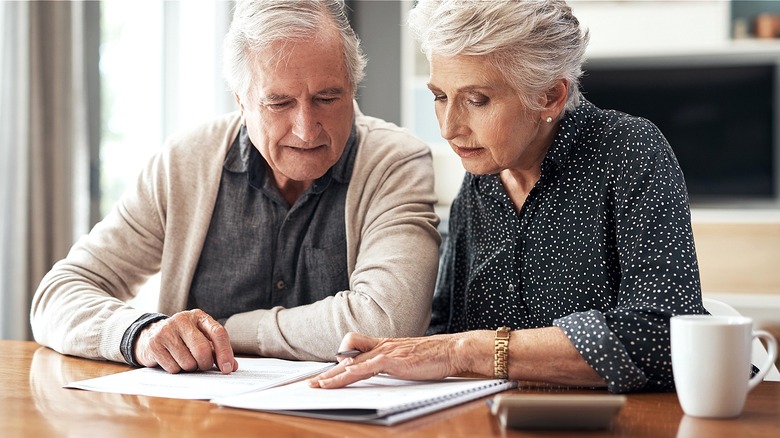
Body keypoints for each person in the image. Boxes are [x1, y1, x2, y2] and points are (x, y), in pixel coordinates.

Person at [310, 0, 706, 393]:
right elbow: (448, 326)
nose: (449, 128)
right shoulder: (480, 180)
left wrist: (463, 351)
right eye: (440, 96)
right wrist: (394, 355)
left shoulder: (629, 151)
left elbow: (665, 333)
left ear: (549, 96)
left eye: (477, 100)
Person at [30, 0, 440, 375]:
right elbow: (59, 294)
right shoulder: (185, 162)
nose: (306, 128)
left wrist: (228, 330)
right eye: (279, 103)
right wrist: (141, 333)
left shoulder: (395, 162)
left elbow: (388, 322)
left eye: (327, 98)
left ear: (353, 89)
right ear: (241, 103)